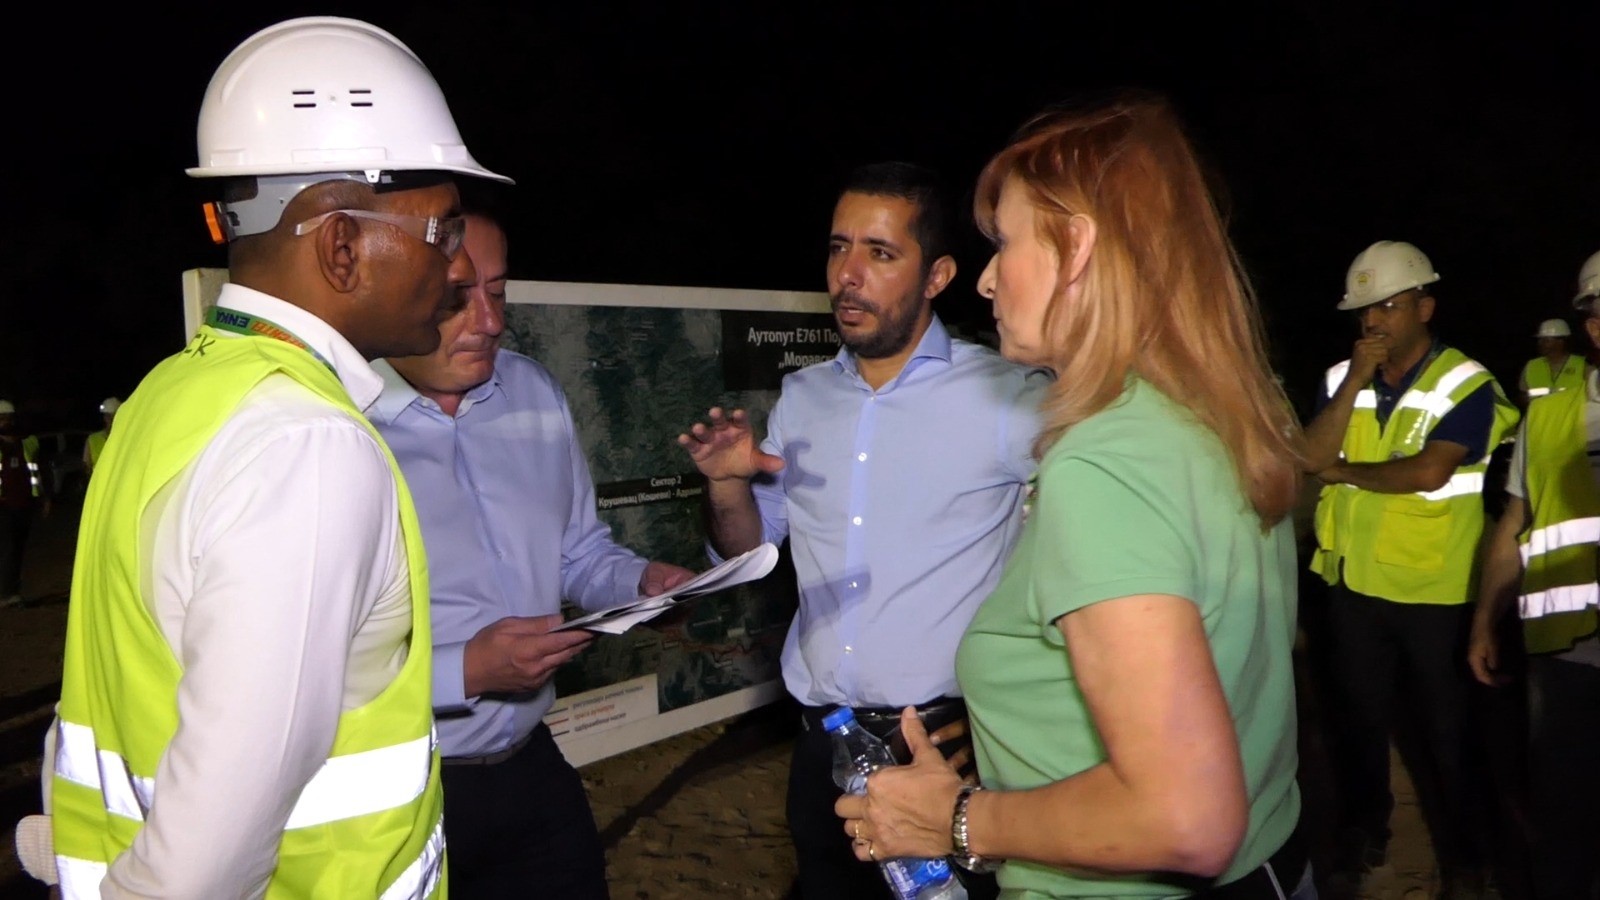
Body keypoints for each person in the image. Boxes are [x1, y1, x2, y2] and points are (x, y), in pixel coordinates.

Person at [21, 17, 512, 898]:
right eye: (442, 232)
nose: (454, 268)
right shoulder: (308, 449)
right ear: (340, 245)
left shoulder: (172, 391)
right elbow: (205, 861)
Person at [833, 93, 1311, 899]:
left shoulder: (1104, 462)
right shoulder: (1211, 419)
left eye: (1005, 243)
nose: (987, 280)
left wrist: (958, 821)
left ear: (1077, 248)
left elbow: (1186, 818)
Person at [678, 161, 1047, 900]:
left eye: (880, 253)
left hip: (944, 751)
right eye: (838, 247)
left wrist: (1007, 725)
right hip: (821, 750)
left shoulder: (1009, 398)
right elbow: (748, 551)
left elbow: (1072, 575)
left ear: (938, 275)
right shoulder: (802, 397)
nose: (848, 275)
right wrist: (726, 485)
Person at [369, 210, 695, 899]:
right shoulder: (340, 427)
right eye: (458, 297)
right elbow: (308, 668)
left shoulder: (534, 392)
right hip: (393, 789)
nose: (490, 322)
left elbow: (579, 553)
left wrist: (641, 584)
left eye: (499, 292)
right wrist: (465, 670)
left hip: (530, 765)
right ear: (398, 290)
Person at [1304, 239, 1519, 896]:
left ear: (1425, 308)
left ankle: (1467, 857)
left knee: (1449, 735)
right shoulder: (1341, 378)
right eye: (1364, 310)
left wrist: (1344, 472)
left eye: (1389, 307)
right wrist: (1355, 384)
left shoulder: (1466, 382)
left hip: (1434, 590)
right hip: (1353, 584)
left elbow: (1430, 471)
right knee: (1359, 723)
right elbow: (1310, 456)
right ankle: (1365, 834)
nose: (1373, 321)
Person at [1468, 248, 1600, 900]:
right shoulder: (1545, 418)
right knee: (1565, 825)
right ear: (1592, 325)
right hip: (1567, 658)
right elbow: (1513, 524)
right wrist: (1483, 620)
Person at [0, 399, 48, 608]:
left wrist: (44, 498)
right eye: (2, 418)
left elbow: (37, 472)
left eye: (9, 418)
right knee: (8, 549)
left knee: (18, 549)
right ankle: (6, 593)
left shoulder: (28, 443)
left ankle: (12, 591)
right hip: (3, 506)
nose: (6, 422)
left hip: (24, 504)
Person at [1518, 318, 1585, 405]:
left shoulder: (1582, 365)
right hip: (1540, 413)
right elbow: (1523, 395)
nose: (1540, 343)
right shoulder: (1532, 365)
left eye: (1546, 340)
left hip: (1572, 414)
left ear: (1561, 341)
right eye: (1540, 339)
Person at [82, 396, 120, 477]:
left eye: (112, 416)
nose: (110, 420)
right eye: (108, 416)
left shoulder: (125, 438)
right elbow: (86, 467)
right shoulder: (92, 439)